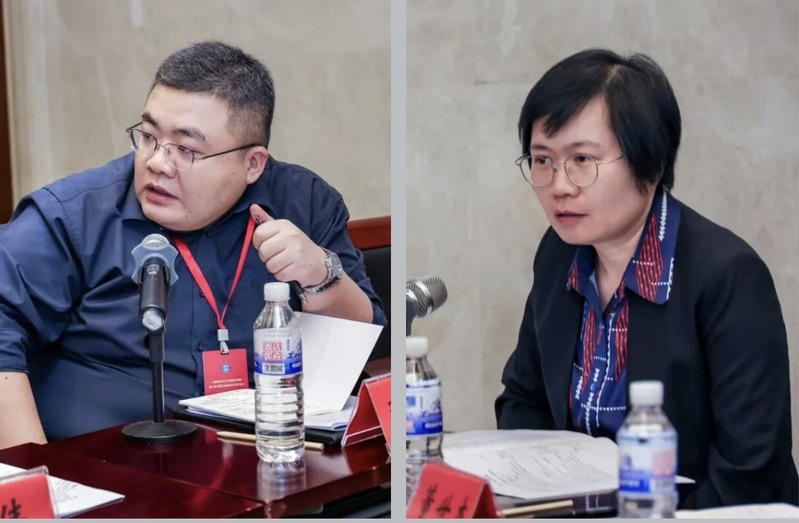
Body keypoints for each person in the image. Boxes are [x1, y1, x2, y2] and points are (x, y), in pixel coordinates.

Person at [0, 41, 386, 449]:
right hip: (108, 470)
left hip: (268, 460)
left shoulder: (303, 203)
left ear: (253, 163)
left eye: (186, 149)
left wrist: (321, 275)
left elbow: (366, 347)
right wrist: (34, 475)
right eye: (149, 136)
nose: (157, 163)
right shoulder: (73, 216)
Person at [494, 49, 797, 508]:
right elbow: (523, 398)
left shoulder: (728, 275)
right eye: (542, 160)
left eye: (582, 159)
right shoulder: (559, 253)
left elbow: (749, 472)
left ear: (650, 165)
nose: (559, 185)